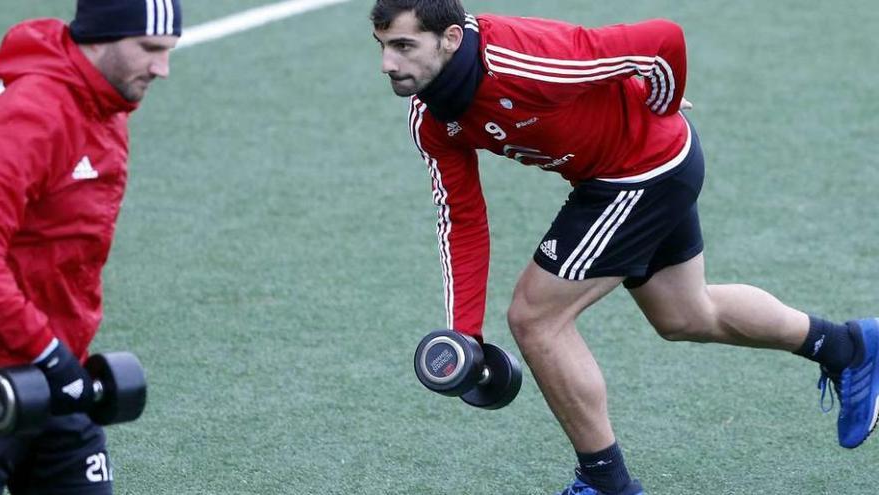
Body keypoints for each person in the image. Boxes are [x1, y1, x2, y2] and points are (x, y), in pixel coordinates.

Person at [370, 1, 878, 493]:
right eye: (383, 46)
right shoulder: (432, 117)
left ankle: (605, 483)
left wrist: (664, 100)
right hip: (628, 172)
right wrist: (466, 334)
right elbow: (462, 218)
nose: (388, 63)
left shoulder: (520, 58)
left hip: (639, 174)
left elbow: (661, 40)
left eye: (404, 46)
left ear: (450, 39)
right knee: (684, 314)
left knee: (535, 317)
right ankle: (849, 348)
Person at [0, 0, 181, 493]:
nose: (161, 68)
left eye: (168, 52)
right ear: (99, 38)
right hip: (31, 367)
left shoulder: (107, 112)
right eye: (149, 49)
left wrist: (59, 358)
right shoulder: (30, 116)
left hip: (55, 378)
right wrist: (46, 350)